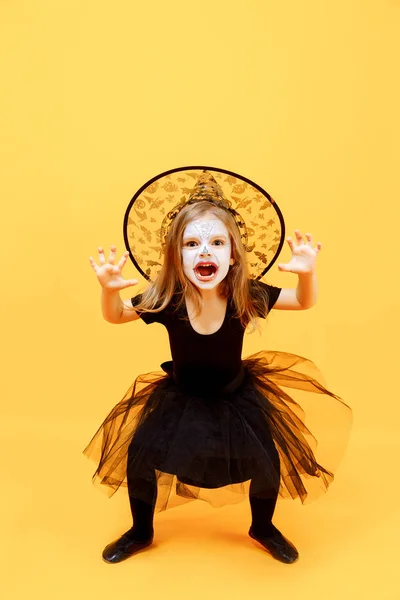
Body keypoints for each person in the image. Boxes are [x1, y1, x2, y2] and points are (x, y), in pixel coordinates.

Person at [85, 170, 352, 565]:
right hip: (182, 397)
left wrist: (308, 272)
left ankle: (262, 526)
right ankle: (140, 530)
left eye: (216, 242)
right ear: (176, 255)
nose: (204, 251)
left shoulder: (247, 294)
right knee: (141, 456)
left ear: (233, 254)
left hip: (235, 397)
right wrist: (108, 290)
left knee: (265, 460)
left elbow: (303, 301)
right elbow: (117, 316)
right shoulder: (169, 297)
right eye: (191, 243)